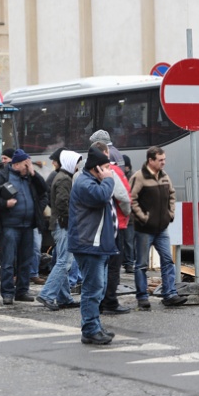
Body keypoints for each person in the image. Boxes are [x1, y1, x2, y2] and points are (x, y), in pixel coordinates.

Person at [0, 149, 48, 305]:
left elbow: (44, 191)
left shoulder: (30, 177)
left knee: (26, 260)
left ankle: (22, 291)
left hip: (28, 225)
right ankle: (7, 292)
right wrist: (5, 203)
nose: (28, 167)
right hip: (10, 225)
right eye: (26, 165)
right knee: (8, 260)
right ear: (17, 164)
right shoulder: (3, 176)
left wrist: (33, 173)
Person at [68, 146, 117, 345]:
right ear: (96, 168)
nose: (109, 171)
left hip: (97, 245)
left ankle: (94, 325)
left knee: (98, 287)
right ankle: (89, 329)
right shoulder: (84, 183)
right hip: (88, 244)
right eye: (105, 167)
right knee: (92, 288)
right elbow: (101, 196)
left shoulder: (94, 181)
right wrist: (109, 180)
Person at [129, 146, 187, 309]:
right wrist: (143, 217)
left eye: (164, 159)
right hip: (144, 230)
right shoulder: (139, 177)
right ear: (151, 160)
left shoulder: (164, 176)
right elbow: (131, 199)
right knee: (141, 264)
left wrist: (170, 213)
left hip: (161, 229)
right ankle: (142, 297)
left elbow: (172, 194)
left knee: (168, 261)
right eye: (160, 160)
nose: (164, 163)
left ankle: (169, 294)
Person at [36, 150, 81, 311]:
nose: (77, 166)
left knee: (60, 260)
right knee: (65, 262)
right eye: (76, 163)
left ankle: (64, 298)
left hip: (59, 224)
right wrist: (70, 221)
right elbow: (62, 202)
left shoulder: (62, 177)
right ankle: (47, 294)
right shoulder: (64, 179)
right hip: (63, 225)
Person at [91, 142, 131, 315]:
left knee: (100, 265)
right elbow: (123, 197)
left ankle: (99, 300)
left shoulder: (87, 173)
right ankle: (110, 301)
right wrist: (128, 213)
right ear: (107, 153)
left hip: (97, 227)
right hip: (116, 224)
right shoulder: (112, 172)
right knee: (113, 266)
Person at [122, 154, 136, 273]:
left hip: (129, 217)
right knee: (127, 241)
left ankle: (129, 263)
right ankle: (128, 262)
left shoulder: (131, 177)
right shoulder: (127, 176)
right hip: (126, 216)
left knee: (128, 241)